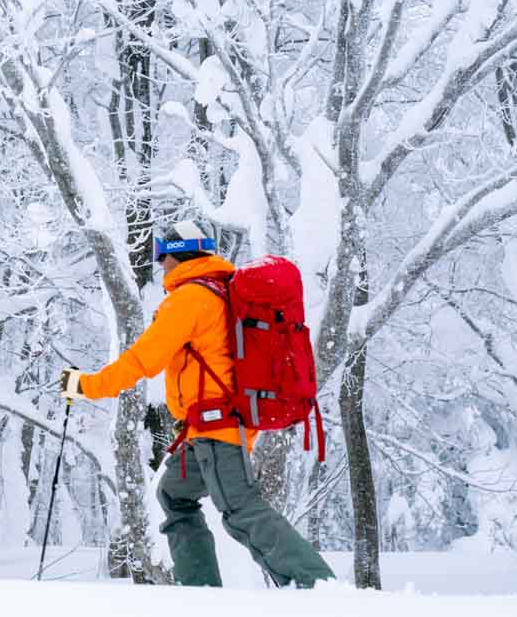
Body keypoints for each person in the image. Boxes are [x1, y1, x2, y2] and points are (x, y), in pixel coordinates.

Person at [58, 222, 334, 588]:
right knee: (174, 493)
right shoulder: (220, 291)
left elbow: (142, 360)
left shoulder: (190, 299)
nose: (162, 266)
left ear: (178, 255)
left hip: (217, 427)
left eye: (163, 258)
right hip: (212, 427)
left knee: (240, 510)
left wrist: (85, 385)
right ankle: (199, 590)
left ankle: (316, 583)